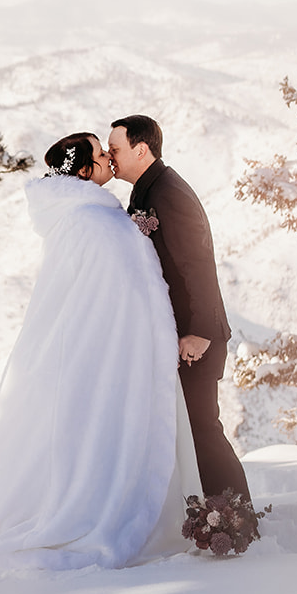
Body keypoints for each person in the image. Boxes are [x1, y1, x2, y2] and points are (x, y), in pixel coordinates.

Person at [0, 132, 199, 582]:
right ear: (84, 171)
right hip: (103, 361)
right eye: (100, 152)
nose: (109, 157)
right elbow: (126, 296)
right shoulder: (96, 223)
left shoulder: (74, 218)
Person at [108, 114, 251, 504]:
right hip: (178, 335)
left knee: (203, 429)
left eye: (116, 149)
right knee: (187, 430)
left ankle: (236, 517)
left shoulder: (168, 192)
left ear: (141, 149)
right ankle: (212, 513)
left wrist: (200, 331)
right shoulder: (145, 190)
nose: (110, 156)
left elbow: (198, 263)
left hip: (196, 337)